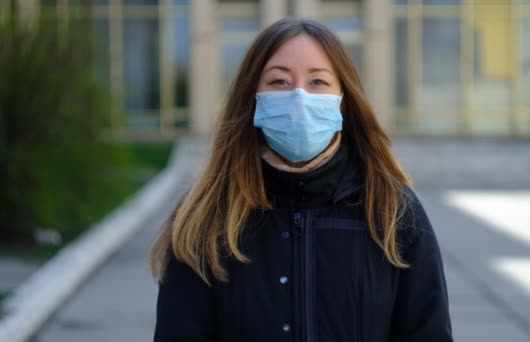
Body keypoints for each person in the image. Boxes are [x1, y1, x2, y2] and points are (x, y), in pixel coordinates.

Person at [150, 17, 452, 342]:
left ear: (343, 101)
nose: (298, 97)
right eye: (279, 81)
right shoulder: (205, 218)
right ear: (251, 97)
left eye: (318, 82)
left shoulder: (393, 212)